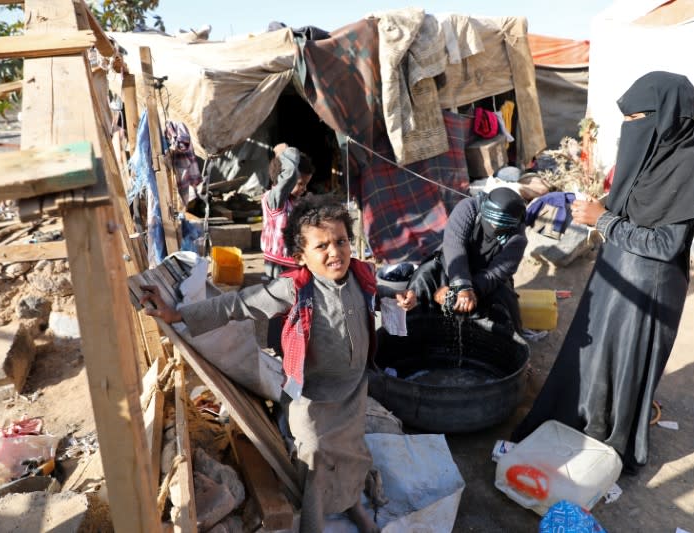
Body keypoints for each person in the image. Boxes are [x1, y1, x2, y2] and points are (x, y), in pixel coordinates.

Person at [141, 195, 416, 533]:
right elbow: (238, 305)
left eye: (341, 241)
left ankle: (353, 505)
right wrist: (178, 314)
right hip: (311, 398)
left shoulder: (361, 275)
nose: (336, 252)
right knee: (315, 460)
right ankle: (313, 526)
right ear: (301, 256)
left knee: (352, 456)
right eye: (323, 246)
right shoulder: (295, 288)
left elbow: (379, 289)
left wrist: (396, 294)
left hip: (353, 391)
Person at [511, 71, 694, 474]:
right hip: (616, 270)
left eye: (638, 120)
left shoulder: (690, 167)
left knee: (624, 363)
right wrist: (587, 208)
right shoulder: (649, 156)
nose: (630, 128)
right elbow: (626, 206)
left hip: (650, 289)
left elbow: (667, 245)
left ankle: (611, 436)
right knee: (595, 353)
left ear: (667, 117)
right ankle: (582, 419)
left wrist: (604, 222)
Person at [408, 186, 528, 334]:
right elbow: (454, 245)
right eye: (492, 223)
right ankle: (415, 332)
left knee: (504, 302)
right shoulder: (468, 208)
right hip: (452, 264)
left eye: (501, 227)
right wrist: (461, 286)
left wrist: (470, 291)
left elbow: (495, 273)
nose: (495, 228)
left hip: (486, 278)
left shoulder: (517, 239)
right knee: (423, 277)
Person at [261, 143, 314, 279]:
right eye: (300, 184)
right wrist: (284, 152)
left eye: (306, 185)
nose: (304, 189)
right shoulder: (275, 200)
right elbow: (290, 173)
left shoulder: (294, 201)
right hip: (278, 264)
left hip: (292, 261)